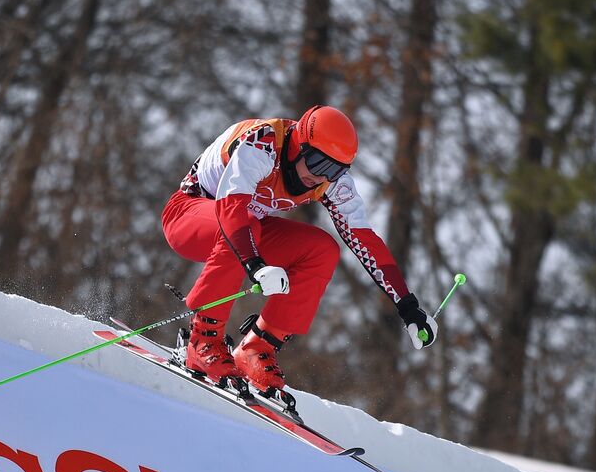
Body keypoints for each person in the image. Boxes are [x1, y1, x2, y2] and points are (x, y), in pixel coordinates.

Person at [162, 105, 436, 398]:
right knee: (249, 225)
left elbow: (365, 240)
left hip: (245, 232)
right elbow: (232, 208)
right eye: (318, 163)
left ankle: (256, 348)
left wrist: (407, 305)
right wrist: (255, 265)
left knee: (322, 250)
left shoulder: (330, 182)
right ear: (298, 146)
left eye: (334, 170)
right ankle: (203, 340)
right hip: (188, 216)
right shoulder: (264, 142)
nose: (321, 177)